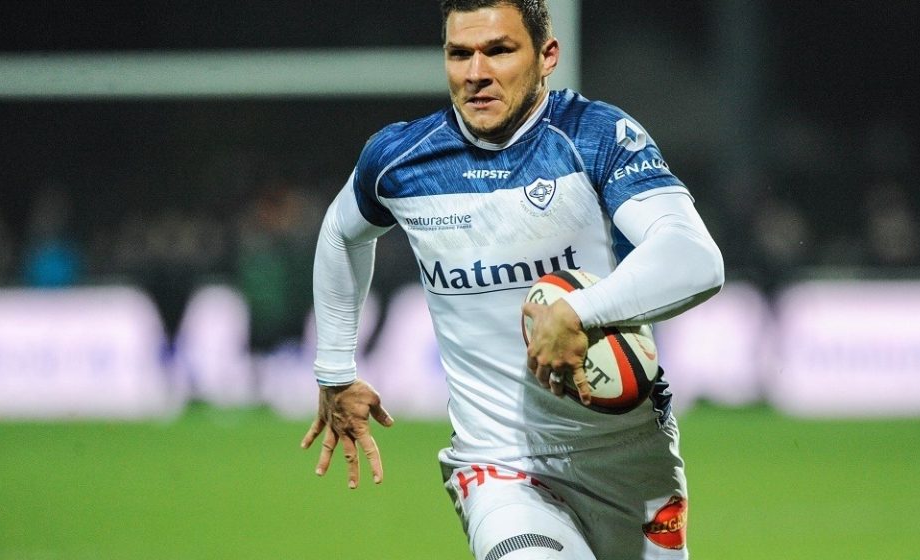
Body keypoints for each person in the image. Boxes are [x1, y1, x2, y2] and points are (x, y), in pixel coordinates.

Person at [300, 1, 724, 558]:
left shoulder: (594, 136)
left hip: (628, 456)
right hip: (499, 465)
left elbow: (695, 258)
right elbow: (340, 233)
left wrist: (579, 312)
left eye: (498, 50)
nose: (476, 72)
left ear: (547, 55)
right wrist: (334, 370)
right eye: (459, 54)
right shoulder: (402, 158)